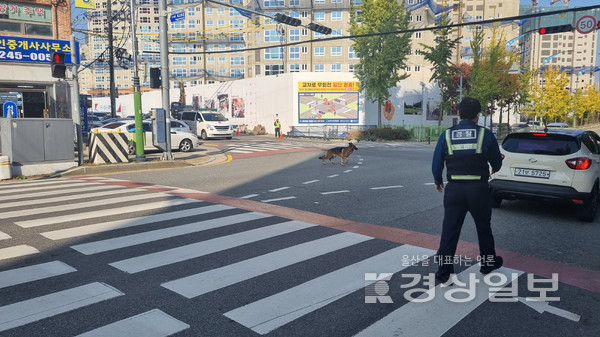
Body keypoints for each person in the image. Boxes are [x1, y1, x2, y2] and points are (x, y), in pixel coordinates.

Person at [431, 97, 504, 284]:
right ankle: (488, 264)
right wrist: (492, 170)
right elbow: (497, 162)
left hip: (454, 189)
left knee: (450, 230)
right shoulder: (485, 135)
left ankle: (444, 271)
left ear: (458, 114)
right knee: (483, 228)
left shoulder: (447, 135)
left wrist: (438, 180)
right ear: (478, 116)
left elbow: (437, 161)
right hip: (478, 190)